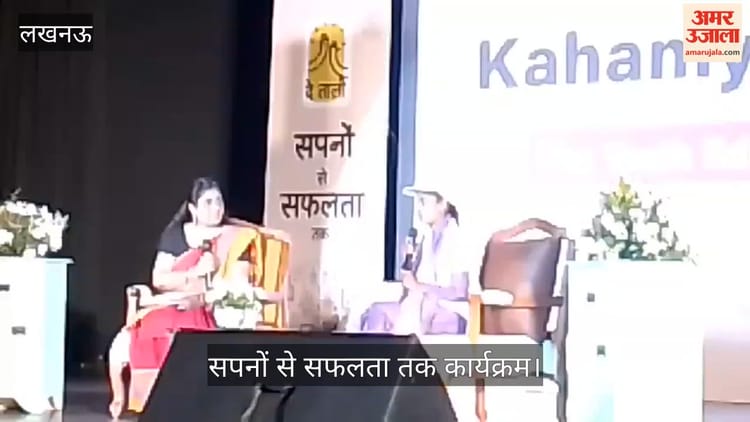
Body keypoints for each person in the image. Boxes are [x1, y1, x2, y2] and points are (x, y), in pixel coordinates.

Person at [107, 177, 288, 419]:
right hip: (172, 301)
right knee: (152, 327)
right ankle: (146, 403)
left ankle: (184, 405)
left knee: (186, 335)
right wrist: (194, 274)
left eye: (219, 201)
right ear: (193, 209)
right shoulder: (177, 235)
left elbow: (239, 280)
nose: (216, 208)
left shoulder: (236, 237)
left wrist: (207, 291)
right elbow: (159, 280)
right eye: (208, 202)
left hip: (211, 305)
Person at [363, 183, 470, 334]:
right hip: (418, 305)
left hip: (447, 310)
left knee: (423, 309)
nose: (419, 208)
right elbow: (409, 290)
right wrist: (409, 266)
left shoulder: (457, 239)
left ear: (442, 205)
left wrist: (420, 287)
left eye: (423, 202)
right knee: (377, 312)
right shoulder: (425, 238)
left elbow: (458, 292)